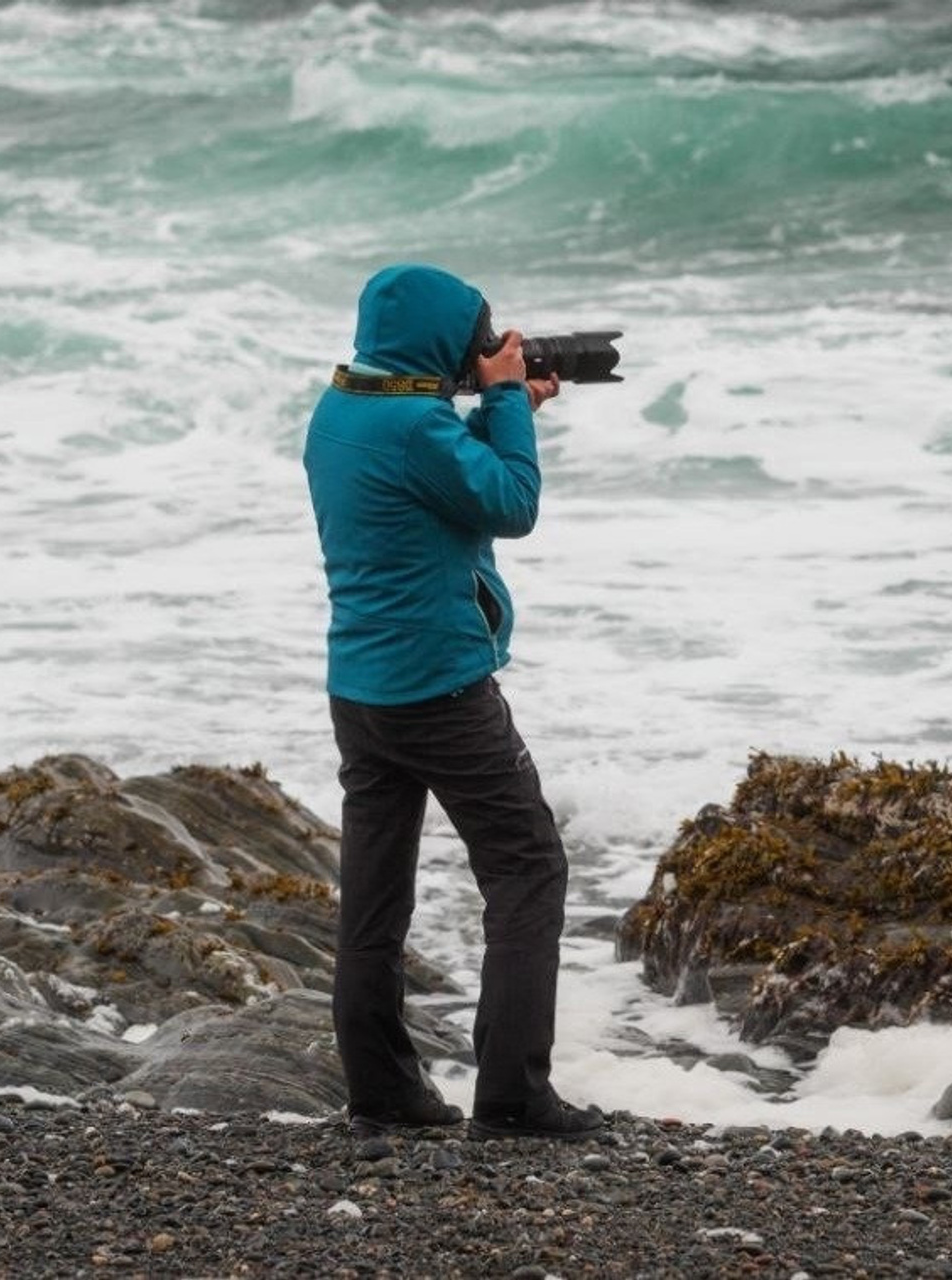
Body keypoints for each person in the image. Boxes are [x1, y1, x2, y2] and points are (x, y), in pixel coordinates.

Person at [303, 263, 604, 1142]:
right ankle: (513, 1099)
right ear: (437, 344)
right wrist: (505, 403)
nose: (483, 348)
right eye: (476, 336)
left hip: (359, 691)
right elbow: (511, 505)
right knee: (528, 869)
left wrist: (503, 410)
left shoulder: (340, 410)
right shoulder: (416, 429)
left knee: (373, 898)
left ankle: (382, 1092)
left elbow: (425, 474)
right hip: (440, 688)